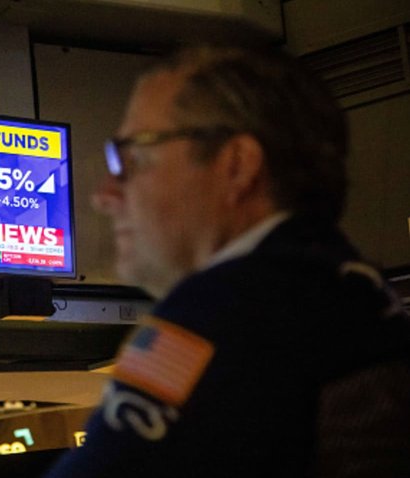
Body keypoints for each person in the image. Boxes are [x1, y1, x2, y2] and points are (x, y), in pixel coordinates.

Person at [45, 45, 410, 477]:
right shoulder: (351, 291)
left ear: (236, 166)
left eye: (134, 157)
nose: (103, 194)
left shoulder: (224, 311)